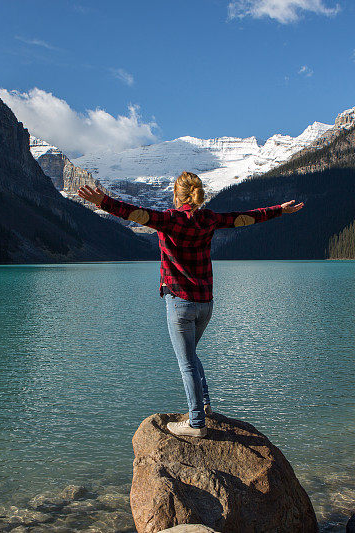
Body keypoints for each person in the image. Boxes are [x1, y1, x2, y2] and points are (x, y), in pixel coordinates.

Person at [77, 172, 304, 438]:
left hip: (180, 303)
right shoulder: (209, 219)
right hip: (205, 304)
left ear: (177, 195)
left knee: (186, 363)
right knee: (191, 356)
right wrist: (279, 210)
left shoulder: (169, 219)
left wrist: (103, 202)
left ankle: (197, 423)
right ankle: (204, 405)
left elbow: (133, 214)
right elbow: (245, 218)